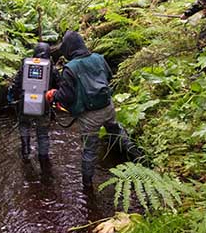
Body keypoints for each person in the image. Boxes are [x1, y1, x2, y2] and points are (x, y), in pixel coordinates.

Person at [45, 31, 141, 189]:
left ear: (69, 49)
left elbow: (66, 96)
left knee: (89, 150)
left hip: (90, 116)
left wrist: (53, 94)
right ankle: (140, 158)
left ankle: (87, 187)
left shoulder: (70, 68)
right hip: (108, 106)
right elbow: (109, 78)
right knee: (117, 131)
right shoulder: (99, 58)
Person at [8, 42, 59, 162]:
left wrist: (13, 99)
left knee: (24, 125)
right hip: (44, 106)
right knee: (42, 133)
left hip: (25, 103)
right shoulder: (52, 68)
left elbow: (16, 85)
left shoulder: (26, 66)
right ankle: (43, 158)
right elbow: (59, 87)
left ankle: (26, 151)